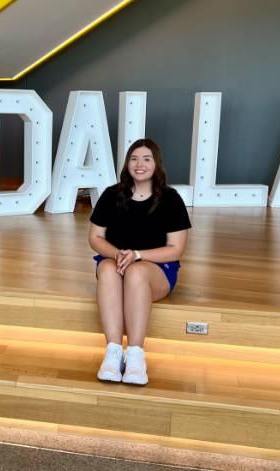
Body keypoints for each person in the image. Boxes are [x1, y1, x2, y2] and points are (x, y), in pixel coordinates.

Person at [88, 138, 191, 385]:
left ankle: (135, 355)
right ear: (127, 164)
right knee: (107, 268)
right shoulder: (112, 194)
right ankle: (113, 353)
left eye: (146, 158)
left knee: (136, 273)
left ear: (157, 164)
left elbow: (175, 250)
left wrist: (137, 255)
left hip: (156, 269)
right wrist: (117, 254)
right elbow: (95, 237)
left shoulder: (170, 198)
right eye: (134, 159)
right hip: (117, 261)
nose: (139, 164)